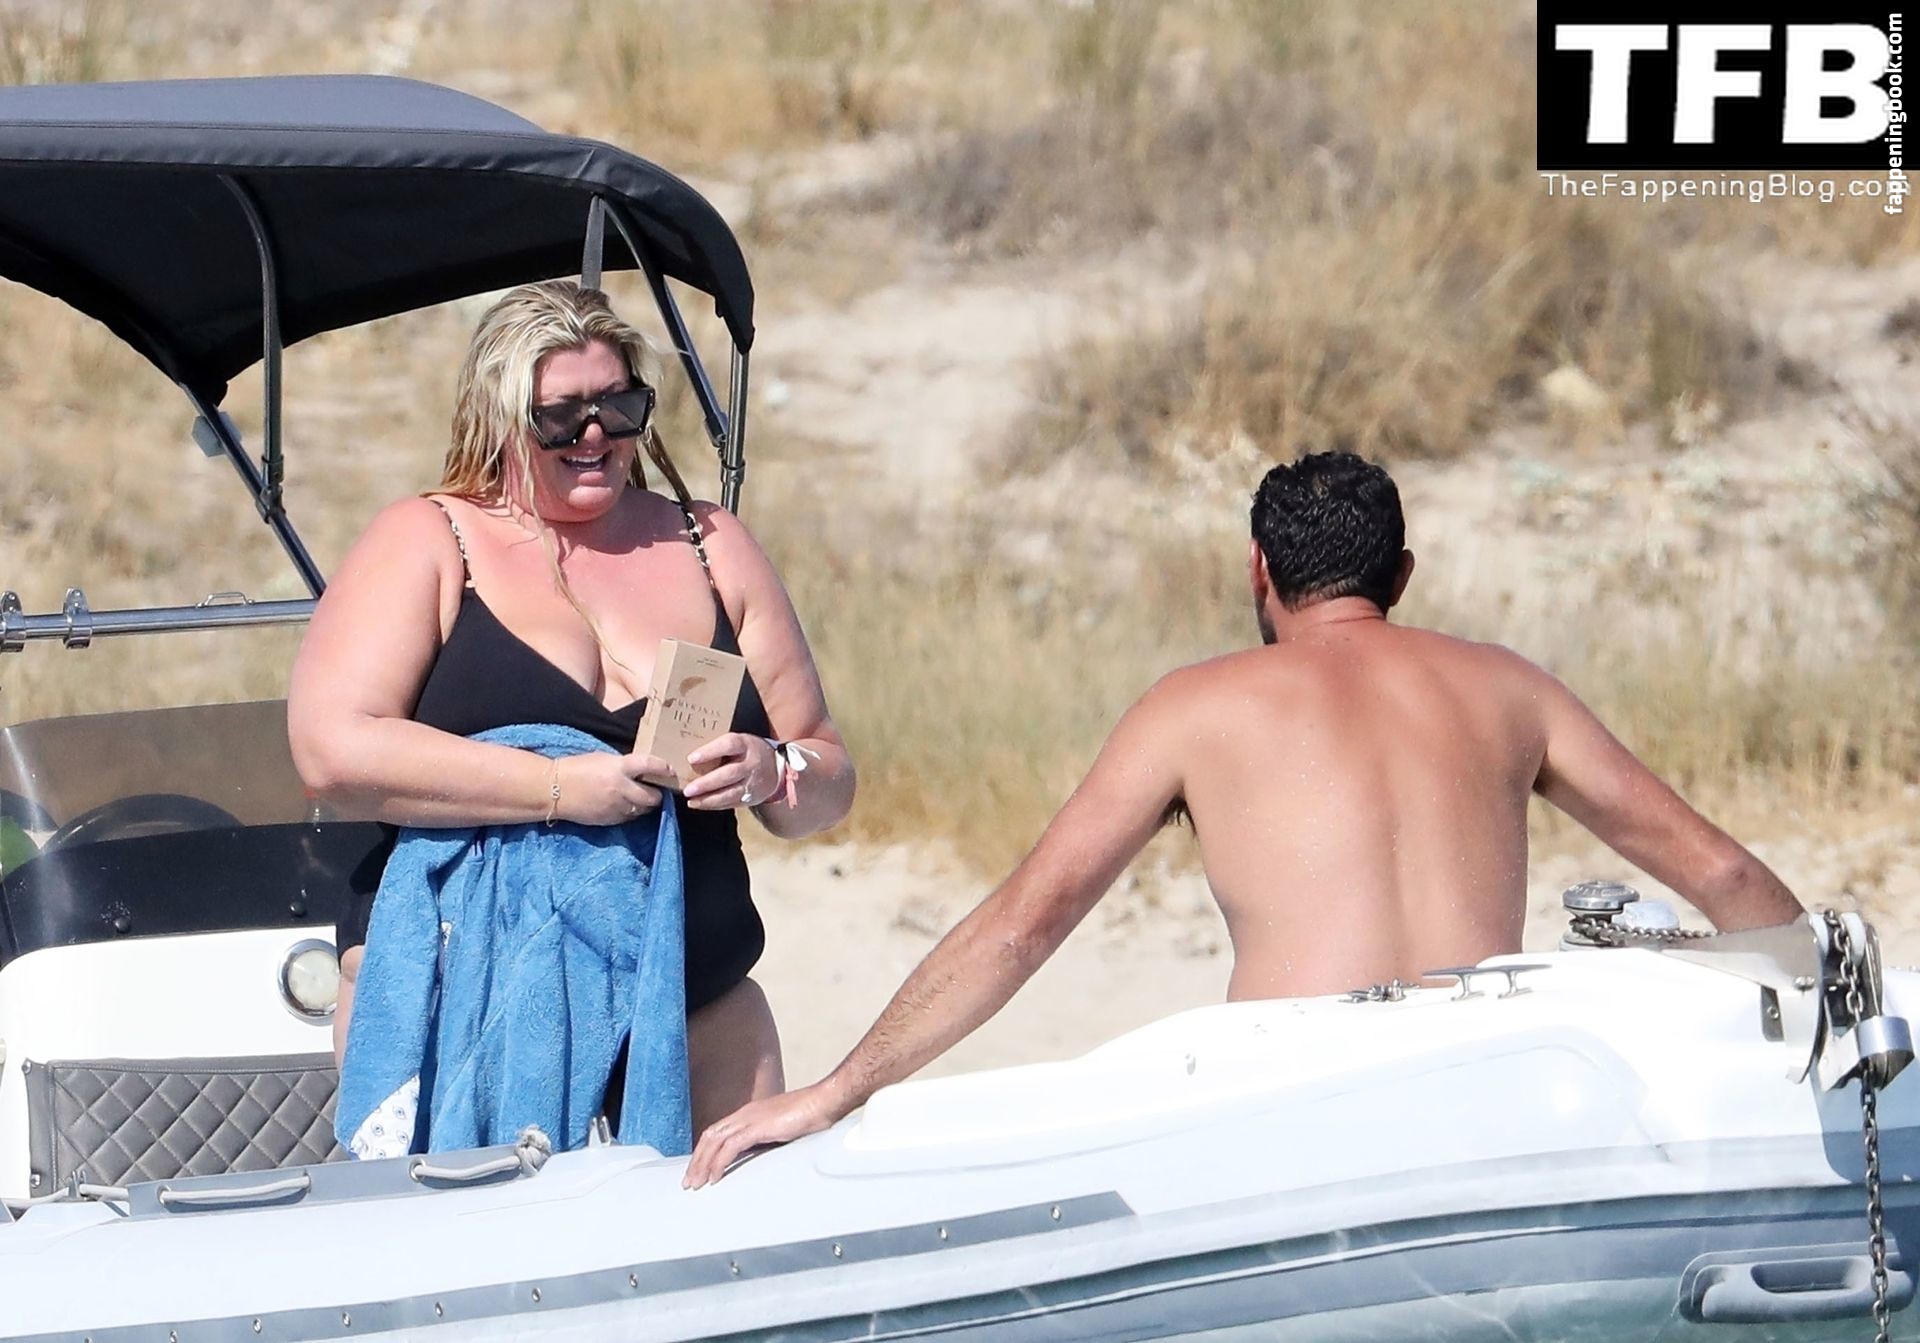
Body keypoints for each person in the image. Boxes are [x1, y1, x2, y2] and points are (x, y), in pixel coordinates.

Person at [683, 450, 1802, 1186]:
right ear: (1402, 573)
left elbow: (1027, 921)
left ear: (1258, 568)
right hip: (1482, 1095)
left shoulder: (1193, 707)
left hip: (1288, 1111)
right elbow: (1723, 875)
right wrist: (1821, 1022)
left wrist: (839, 1089)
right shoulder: (1511, 687)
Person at [288, 280, 854, 1132]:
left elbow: (828, 771)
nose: (595, 435)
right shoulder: (429, 540)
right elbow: (330, 750)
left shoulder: (710, 545)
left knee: (722, 1219)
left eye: (620, 407)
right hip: (463, 998)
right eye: (560, 417)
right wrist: (557, 789)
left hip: (694, 1003)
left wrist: (773, 770)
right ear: (499, 417)